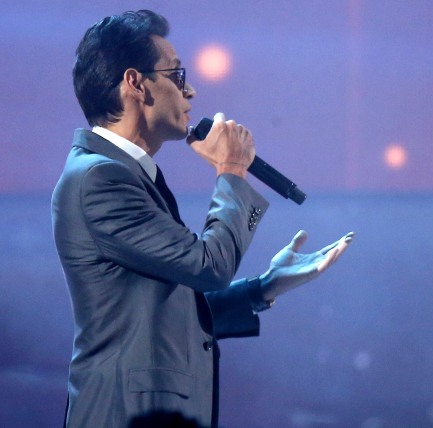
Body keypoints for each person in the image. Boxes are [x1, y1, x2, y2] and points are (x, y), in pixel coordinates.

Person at [52, 10, 353, 427]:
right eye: (177, 75)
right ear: (135, 83)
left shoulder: (124, 173)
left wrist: (262, 288)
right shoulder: (100, 178)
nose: (190, 91)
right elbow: (209, 267)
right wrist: (230, 168)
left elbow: (164, 309)